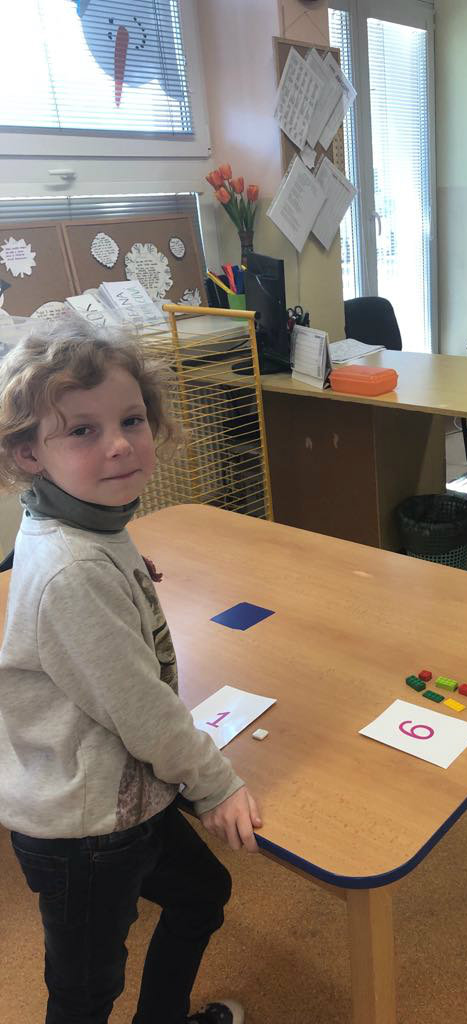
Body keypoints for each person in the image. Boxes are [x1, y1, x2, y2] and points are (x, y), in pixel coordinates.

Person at [0, 321, 263, 1024]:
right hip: (85, 830)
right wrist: (216, 785)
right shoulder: (75, 569)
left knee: (201, 895)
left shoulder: (83, 523)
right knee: (85, 996)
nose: (118, 443)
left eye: (131, 420)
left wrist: (123, 570)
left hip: (126, 798)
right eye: (82, 431)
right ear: (29, 453)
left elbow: (82, 565)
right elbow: (142, 709)